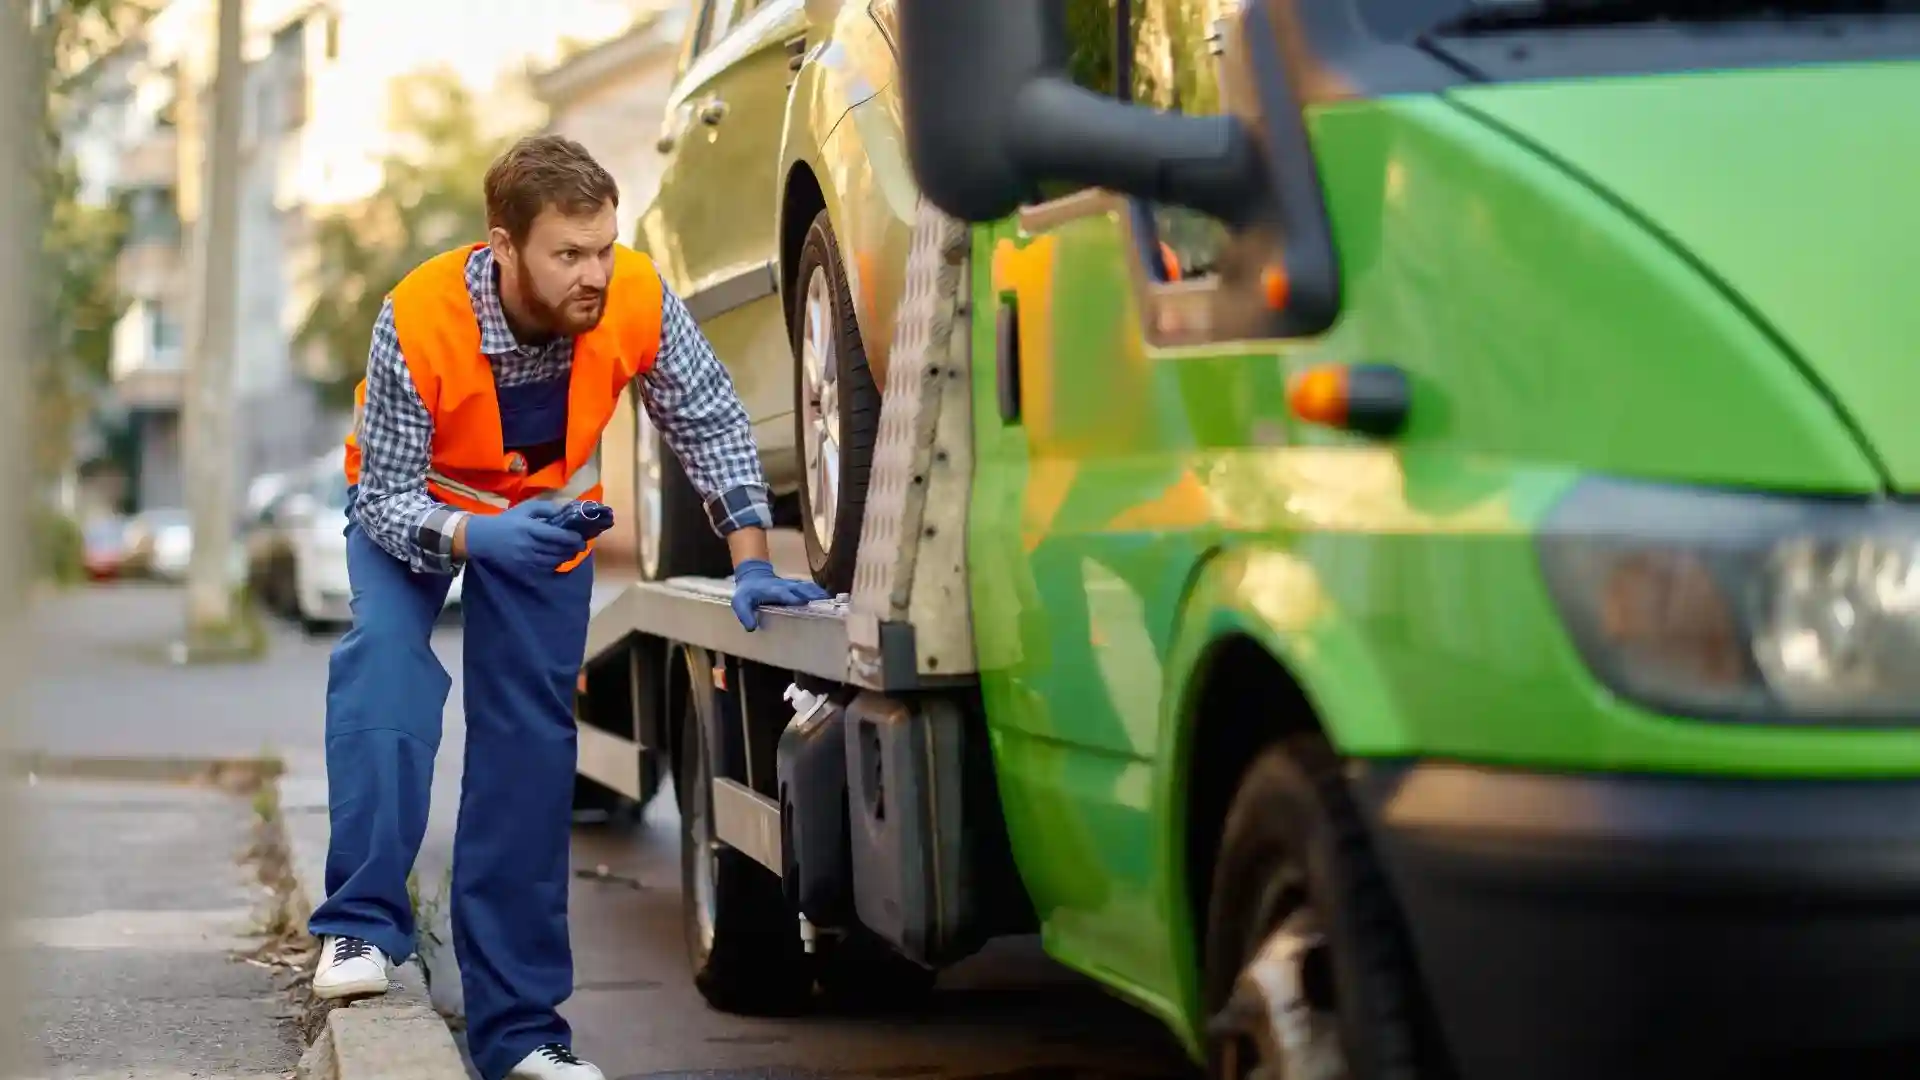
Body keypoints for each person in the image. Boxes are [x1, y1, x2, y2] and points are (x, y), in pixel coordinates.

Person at [304, 135, 830, 1080]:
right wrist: (471, 537)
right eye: (569, 254)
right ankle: (361, 926)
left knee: (529, 757)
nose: (596, 273)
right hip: (416, 513)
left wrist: (752, 558)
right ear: (503, 247)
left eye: (604, 246)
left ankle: (520, 1035)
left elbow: (708, 417)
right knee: (385, 671)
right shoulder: (417, 318)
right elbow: (380, 497)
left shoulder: (631, 292)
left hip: (542, 526)